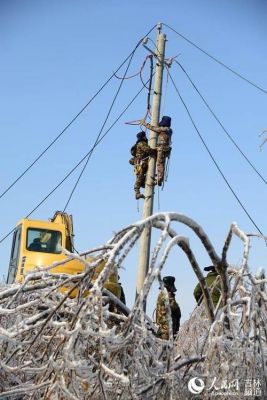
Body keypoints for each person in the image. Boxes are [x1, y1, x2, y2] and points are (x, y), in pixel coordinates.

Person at [141, 116, 172, 186]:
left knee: (160, 164)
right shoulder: (169, 130)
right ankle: (159, 178)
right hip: (165, 149)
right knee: (161, 163)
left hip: (162, 149)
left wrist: (144, 123)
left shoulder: (163, 129)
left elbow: (153, 128)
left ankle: (159, 180)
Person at [129, 131, 156, 199]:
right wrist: (156, 151)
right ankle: (137, 193)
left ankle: (146, 188)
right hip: (141, 163)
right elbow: (148, 150)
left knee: (140, 177)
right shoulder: (141, 143)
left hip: (138, 163)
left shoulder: (137, 144)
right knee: (139, 178)